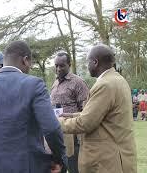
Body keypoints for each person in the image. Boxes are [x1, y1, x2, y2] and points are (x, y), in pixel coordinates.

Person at [0, 40, 67, 173]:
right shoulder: (34, 85)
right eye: (30, 63)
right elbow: (51, 128)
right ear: (25, 60)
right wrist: (60, 160)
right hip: (25, 166)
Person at [58, 44, 137, 173]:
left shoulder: (105, 85)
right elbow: (101, 115)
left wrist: (56, 122)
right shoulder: (118, 80)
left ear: (95, 62)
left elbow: (86, 123)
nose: (86, 66)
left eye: (87, 62)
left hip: (107, 161)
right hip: (117, 156)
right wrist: (70, 116)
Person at [50, 52, 89, 173]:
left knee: (74, 168)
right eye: (56, 65)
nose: (58, 69)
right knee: (59, 167)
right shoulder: (55, 83)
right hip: (57, 133)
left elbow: (86, 110)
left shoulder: (78, 82)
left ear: (69, 65)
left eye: (62, 65)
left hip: (73, 136)